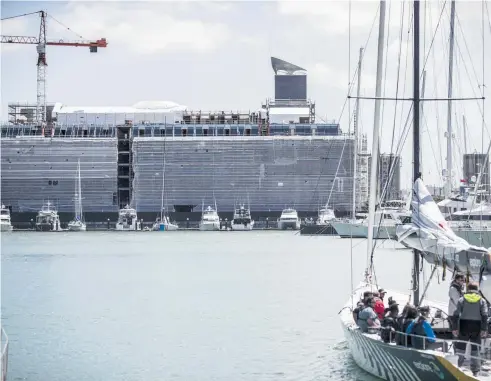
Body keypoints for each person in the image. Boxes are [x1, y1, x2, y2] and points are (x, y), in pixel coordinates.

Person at [451, 281, 488, 376]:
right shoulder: (482, 300)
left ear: (468, 289)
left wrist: (455, 328)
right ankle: (475, 371)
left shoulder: (461, 299)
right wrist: (484, 329)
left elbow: (455, 315)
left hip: (464, 325)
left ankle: (457, 367)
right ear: (477, 289)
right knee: (475, 349)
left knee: (460, 348)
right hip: (477, 326)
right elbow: (484, 315)